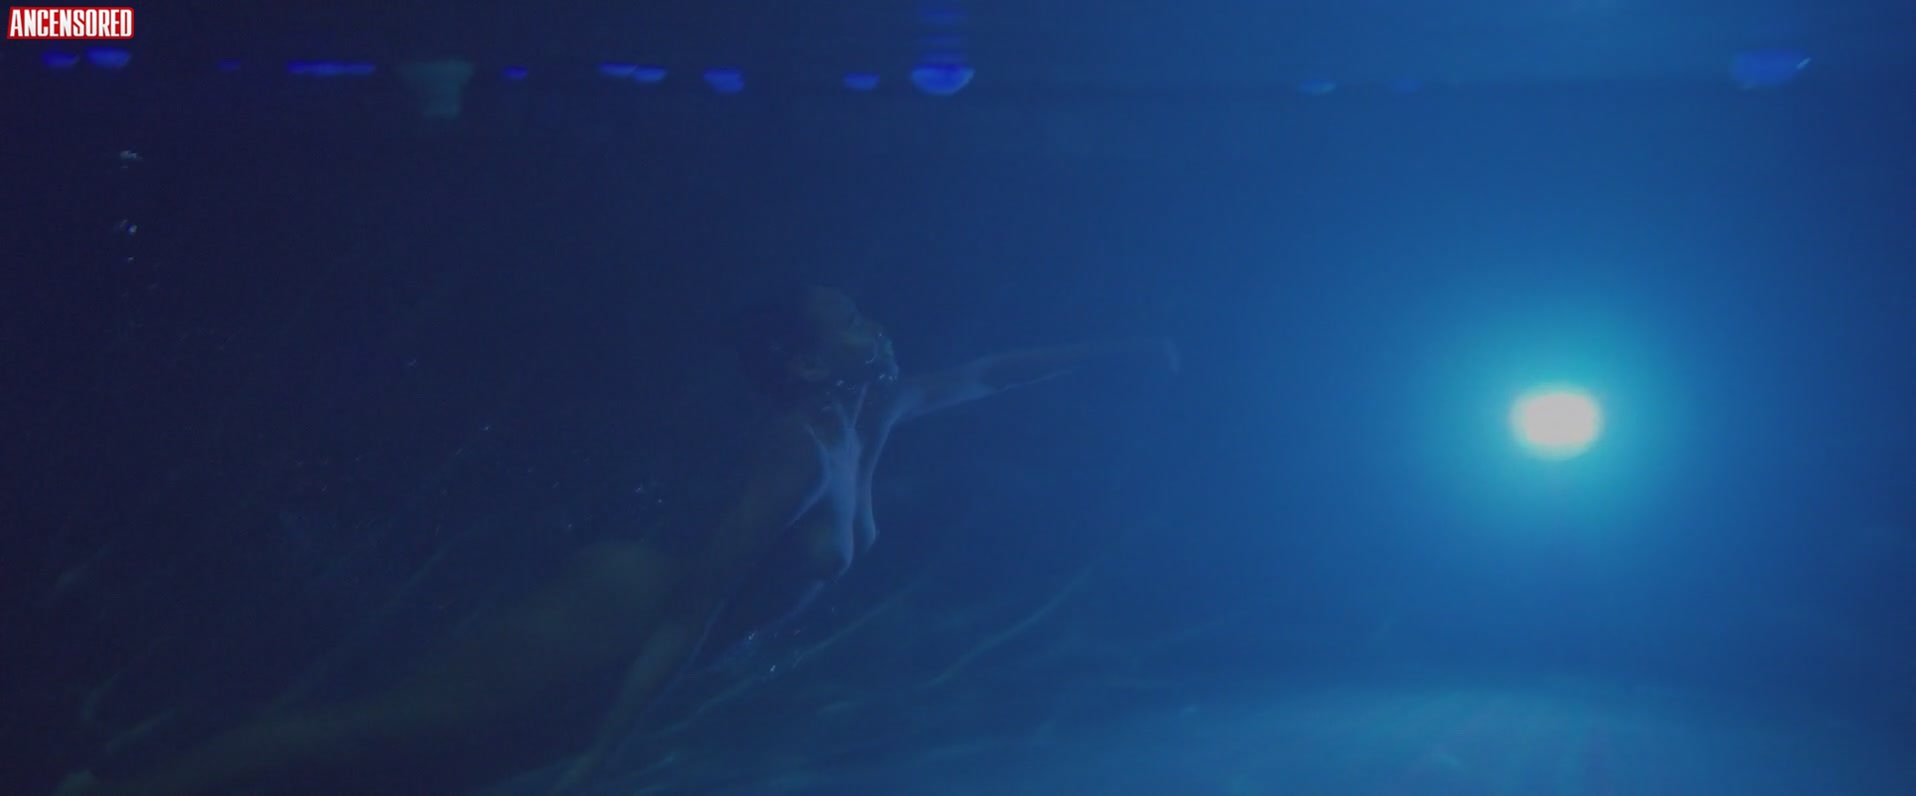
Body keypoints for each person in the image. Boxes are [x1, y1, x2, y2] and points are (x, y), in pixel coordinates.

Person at [64, 285, 1177, 795]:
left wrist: (1116, 349)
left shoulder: (869, 416)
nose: (872, 323)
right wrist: (605, 752)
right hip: (616, 617)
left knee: (421, 765)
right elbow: (693, 608)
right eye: (847, 319)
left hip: (646, 633)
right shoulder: (796, 452)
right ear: (802, 361)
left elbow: (985, 375)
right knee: (384, 728)